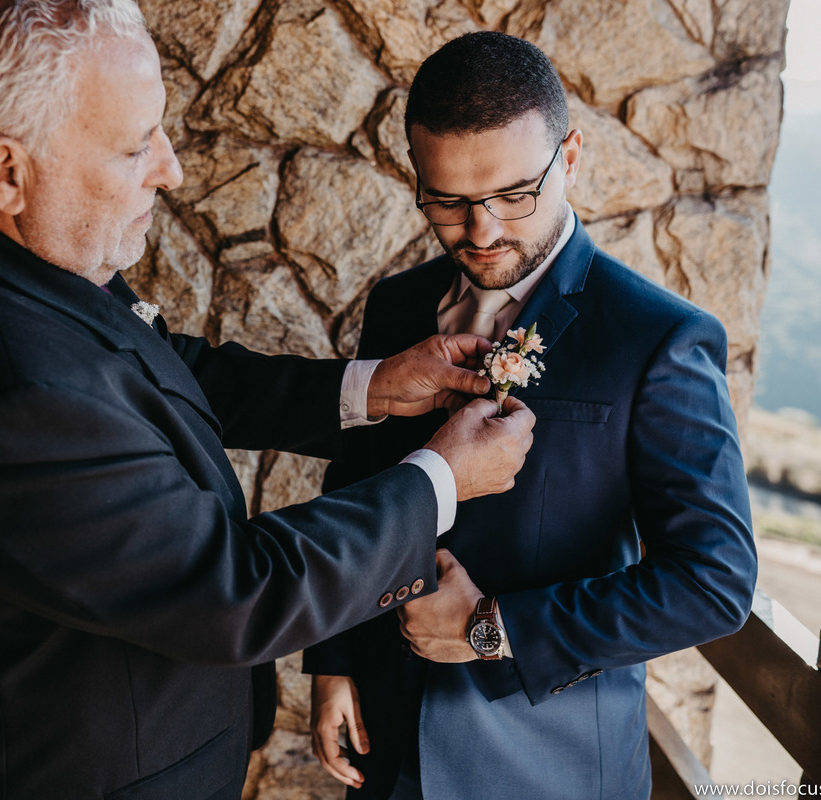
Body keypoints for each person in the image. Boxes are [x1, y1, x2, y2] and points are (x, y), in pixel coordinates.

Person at [0, 3, 536, 799]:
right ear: (6, 172)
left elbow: (148, 368)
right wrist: (438, 478)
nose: (170, 168)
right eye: (136, 145)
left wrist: (370, 386)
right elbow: (235, 589)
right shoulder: (4, 395)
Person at [304, 31, 757, 800]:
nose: (481, 232)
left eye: (514, 196)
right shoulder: (396, 306)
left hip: (549, 764)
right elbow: (359, 484)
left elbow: (714, 581)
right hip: (385, 738)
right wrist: (334, 658)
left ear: (570, 159)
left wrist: (491, 627)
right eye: (447, 201)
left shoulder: (659, 339)